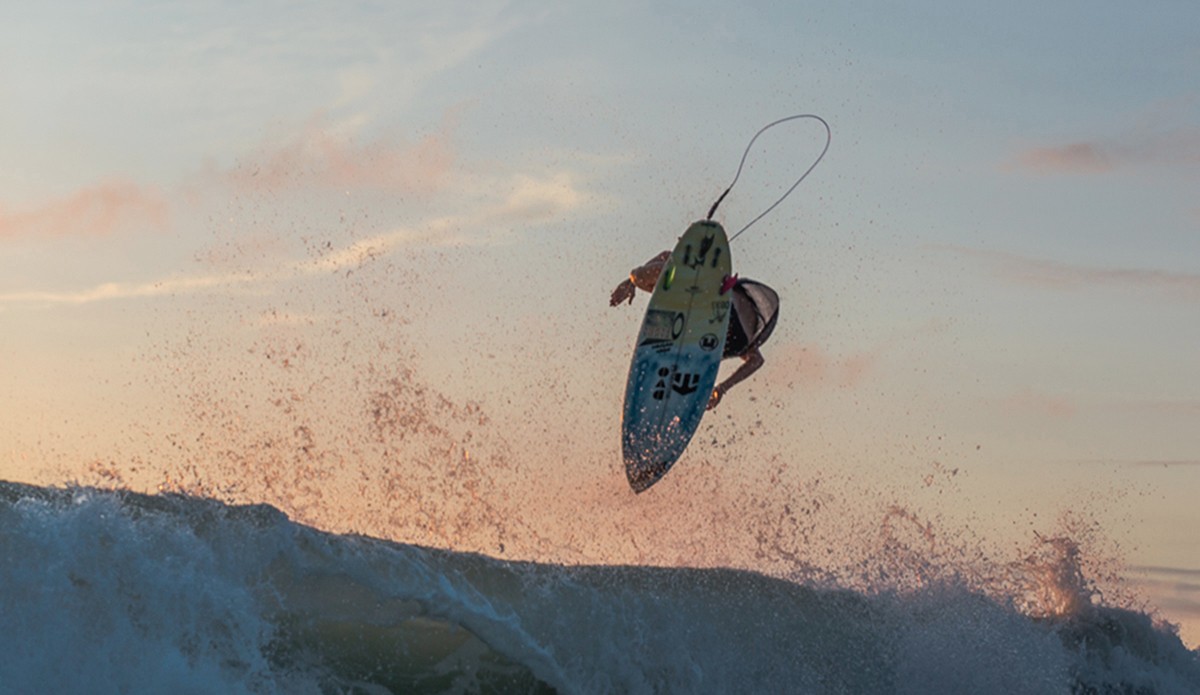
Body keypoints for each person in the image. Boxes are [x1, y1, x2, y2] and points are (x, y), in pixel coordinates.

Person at [610, 250, 779, 410]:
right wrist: (722, 388)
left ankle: (648, 278)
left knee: (640, 275)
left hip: (722, 317)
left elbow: (657, 264)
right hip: (733, 330)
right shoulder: (688, 303)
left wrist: (631, 281)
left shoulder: (685, 299)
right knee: (656, 270)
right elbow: (757, 361)